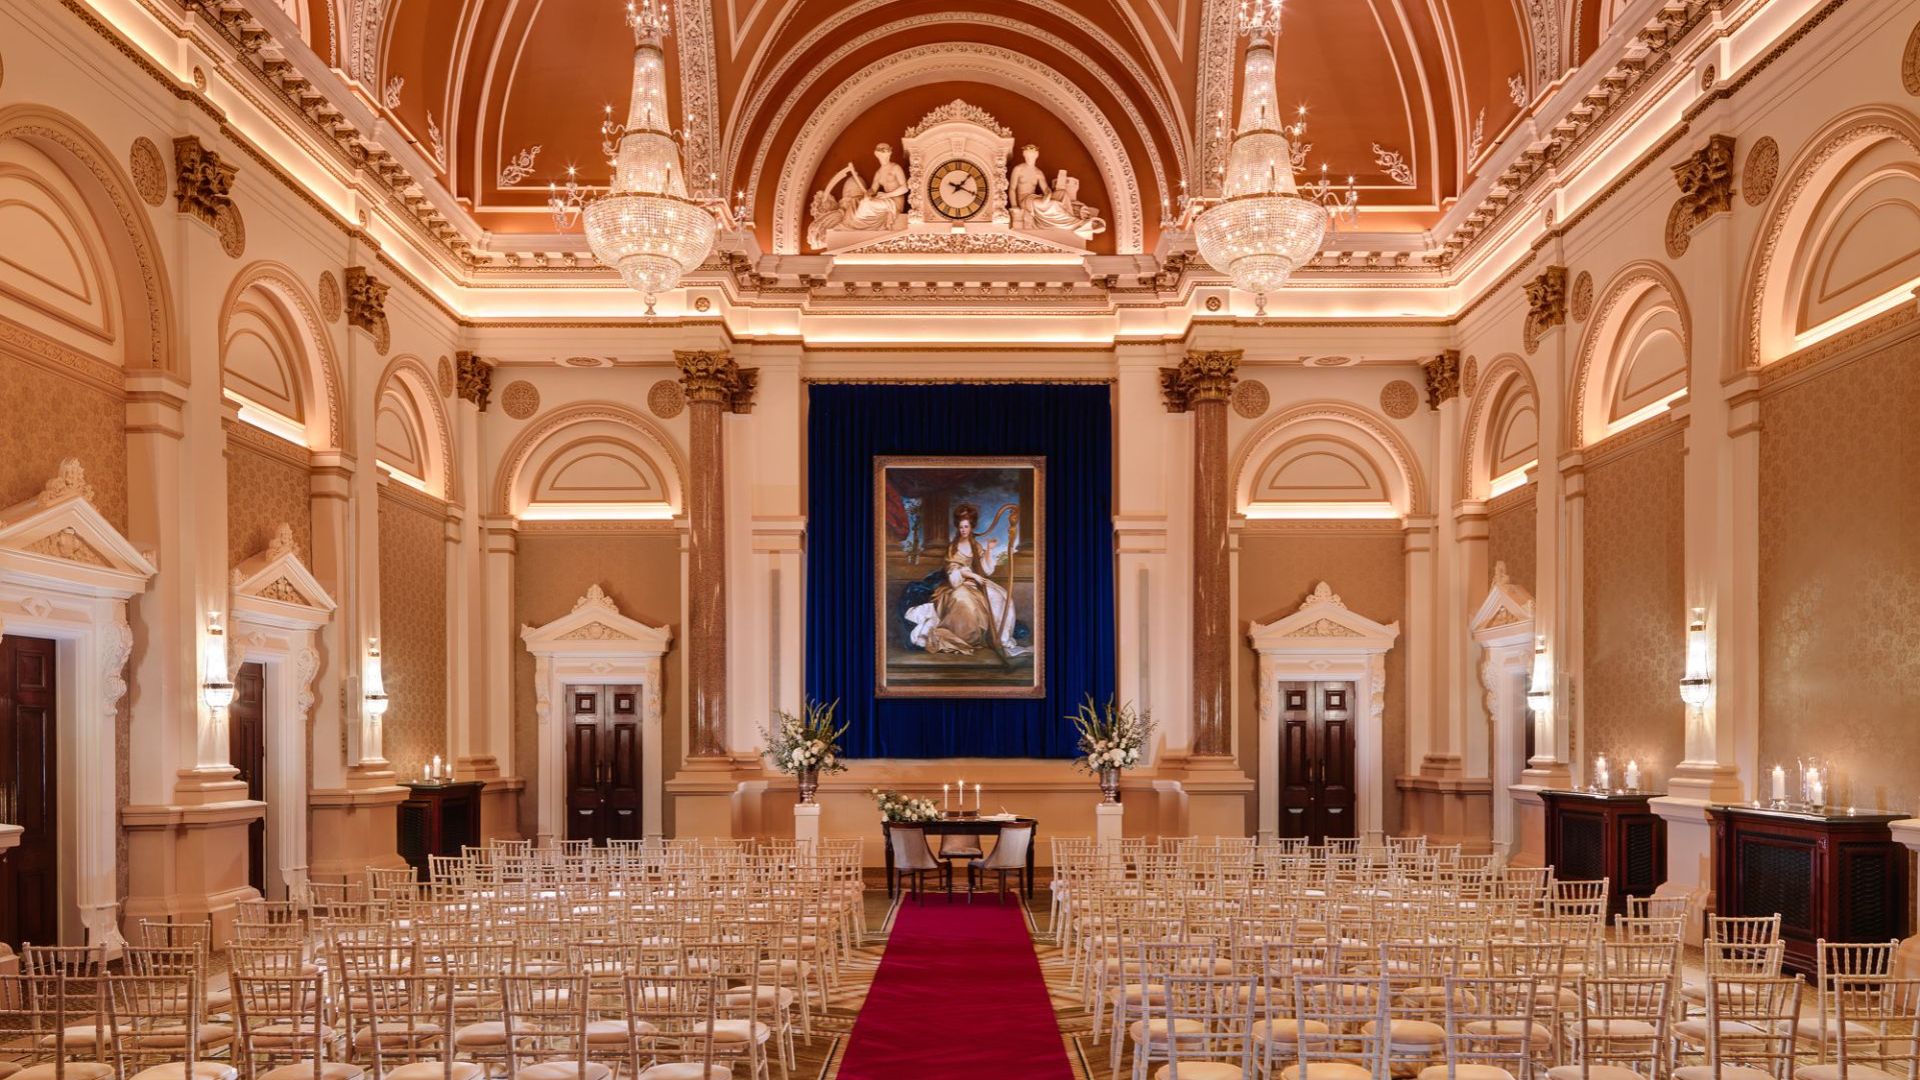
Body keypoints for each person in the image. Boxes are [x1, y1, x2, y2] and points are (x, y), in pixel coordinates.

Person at [903, 504, 1030, 660]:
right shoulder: (953, 547)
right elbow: (953, 572)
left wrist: (989, 549)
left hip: (975, 584)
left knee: (1002, 598)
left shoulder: (976, 546)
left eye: (966, 526)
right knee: (963, 600)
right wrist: (971, 575)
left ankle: (1000, 639)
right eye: (961, 527)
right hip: (956, 585)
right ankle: (967, 638)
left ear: (971, 527)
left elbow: (986, 570)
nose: (963, 530)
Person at [822, 143, 908, 231]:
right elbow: (873, 189)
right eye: (883, 154)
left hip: (895, 203)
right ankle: (852, 225)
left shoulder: (895, 168)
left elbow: (905, 188)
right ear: (877, 155)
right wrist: (868, 194)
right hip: (885, 200)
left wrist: (887, 195)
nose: (885, 156)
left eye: (887, 153)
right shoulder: (878, 173)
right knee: (860, 202)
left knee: (867, 204)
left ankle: (854, 226)